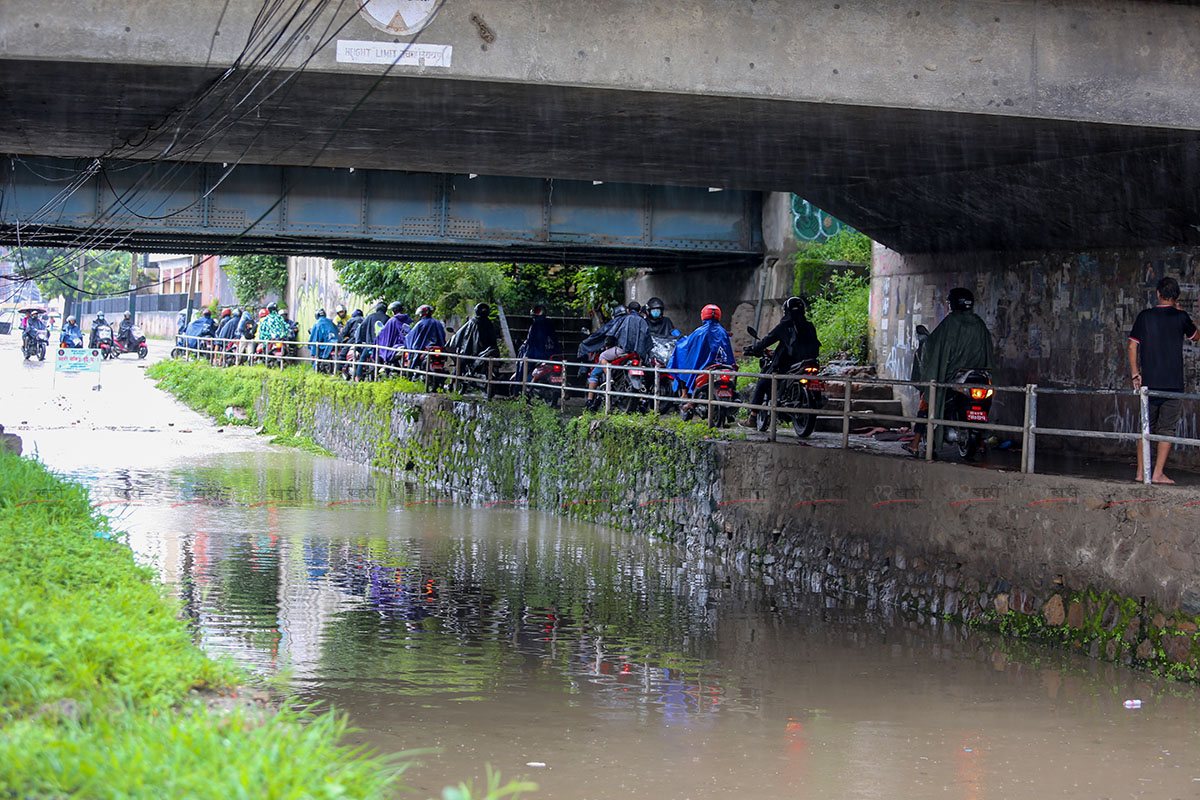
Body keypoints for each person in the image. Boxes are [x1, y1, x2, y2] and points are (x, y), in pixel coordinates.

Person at [905, 287, 996, 457]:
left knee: (928, 398)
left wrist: (924, 346)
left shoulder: (950, 323)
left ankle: (915, 444)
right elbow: (988, 351)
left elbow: (933, 347)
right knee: (984, 404)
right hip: (979, 376)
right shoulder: (979, 323)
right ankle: (981, 443)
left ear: (953, 304)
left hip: (952, 377)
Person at [1128, 276, 1199, 483]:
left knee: (1145, 427)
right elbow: (1196, 336)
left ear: (1157, 294)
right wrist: (1180, 312)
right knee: (1167, 429)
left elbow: (1132, 346)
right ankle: (1157, 473)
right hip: (1173, 384)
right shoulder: (1181, 317)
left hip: (1148, 384)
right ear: (1176, 297)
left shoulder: (1144, 317)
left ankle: (1141, 473)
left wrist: (1135, 373)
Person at [741, 296, 820, 428]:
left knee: (762, 383)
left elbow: (768, 339)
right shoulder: (809, 326)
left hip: (787, 365)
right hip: (809, 362)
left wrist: (755, 348)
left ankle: (753, 418)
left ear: (786, 311)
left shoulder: (785, 325)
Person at [584, 303, 651, 410]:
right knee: (640, 374)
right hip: (637, 353)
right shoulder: (643, 321)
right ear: (639, 311)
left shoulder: (623, 320)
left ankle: (608, 377)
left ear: (628, 310)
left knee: (602, 357)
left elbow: (612, 335)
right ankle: (642, 401)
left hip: (622, 351)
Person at [667, 304, 736, 398]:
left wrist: (680, 343)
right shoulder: (723, 332)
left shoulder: (700, 332)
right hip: (721, 363)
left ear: (703, 315)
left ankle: (685, 394)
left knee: (684, 363)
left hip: (704, 364)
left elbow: (686, 345)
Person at [448, 303, 500, 382]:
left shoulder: (472, 322)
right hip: (487, 351)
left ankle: (452, 382)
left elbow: (460, 334)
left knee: (460, 363)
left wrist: (454, 343)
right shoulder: (489, 324)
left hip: (473, 353)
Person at [355, 301, 391, 380]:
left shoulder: (370, 317)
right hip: (383, 347)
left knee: (362, 359)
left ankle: (358, 376)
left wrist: (359, 342)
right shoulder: (388, 319)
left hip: (370, 345)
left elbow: (361, 329)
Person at [375, 301, 411, 368]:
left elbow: (385, 334)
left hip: (396, 346)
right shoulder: (408, 319)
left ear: (394, 310)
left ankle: (385, 365)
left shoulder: (392, 320)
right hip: (407, 345)